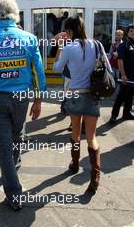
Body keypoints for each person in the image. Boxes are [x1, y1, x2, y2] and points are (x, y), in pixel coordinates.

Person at [0, 0, 46, 210]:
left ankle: (12, 189)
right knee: (16, 137)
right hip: (21, 98)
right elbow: (38, 71)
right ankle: (14, 185)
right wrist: (39, 99)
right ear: (16, 14)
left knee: (5, 146)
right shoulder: (29, 38)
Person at [54, 16, 101, 194]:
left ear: (70, 31)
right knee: (92, 137)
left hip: (74, 94)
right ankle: (95, 177)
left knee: (75, 132)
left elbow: (57, 69)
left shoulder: (68, 47)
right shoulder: (96, 44)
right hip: (92, 95)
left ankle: (74, 164)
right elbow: (108, 70)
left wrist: (59, 45)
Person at [109, 25, 134, 124]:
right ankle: (114, 116)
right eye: (131, 31)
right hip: (125, 76)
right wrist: (123, 74)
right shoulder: (124, 45)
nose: (133, 32)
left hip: (133, 76)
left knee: (130, 96)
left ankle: (126, 113)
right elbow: (120, 60)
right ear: (127, 33)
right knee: (121, 96)